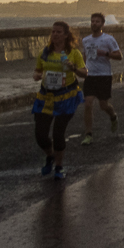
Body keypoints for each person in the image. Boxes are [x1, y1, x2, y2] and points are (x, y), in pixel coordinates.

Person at [32, 22, 88, 181]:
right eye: (53, 32)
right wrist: (36, 75)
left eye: (58, 32)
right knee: (40, 135)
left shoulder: (73, 53)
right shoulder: (45, 52)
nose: (54, 34)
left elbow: (85, 73)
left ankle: (59, 166)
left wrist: (74, 69)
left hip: (66, 97)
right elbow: (38, 70)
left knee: (58, 133)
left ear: (65, 35)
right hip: (46, 97)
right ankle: (50, 156)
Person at [80, 13, 122, 146]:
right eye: (92, 21)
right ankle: (88, 134)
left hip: (104, 75)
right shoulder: (86, 40)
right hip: (90, 76)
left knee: (103, 105)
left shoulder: (108, 39)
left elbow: (119, 56)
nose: (94, 24)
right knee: (88, 104)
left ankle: (113, 116)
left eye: (97, 21)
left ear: (102, 24)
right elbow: (85, 56)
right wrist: (83, 69)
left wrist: (105, 53)